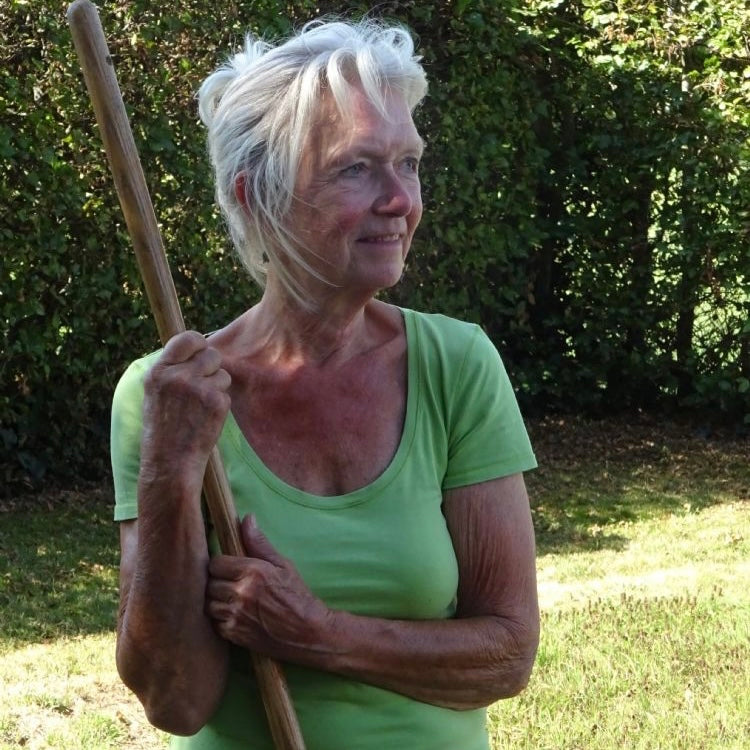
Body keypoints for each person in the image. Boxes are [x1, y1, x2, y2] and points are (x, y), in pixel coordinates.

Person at [110, 18, 539, 750]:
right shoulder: (168, 396)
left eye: (408, 164)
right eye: (357, 169)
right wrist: (168, 469)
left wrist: (317, 633)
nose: (400, 200)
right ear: (257, 197)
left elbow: (504, 655)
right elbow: (175, 701)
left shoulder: (456, 367)